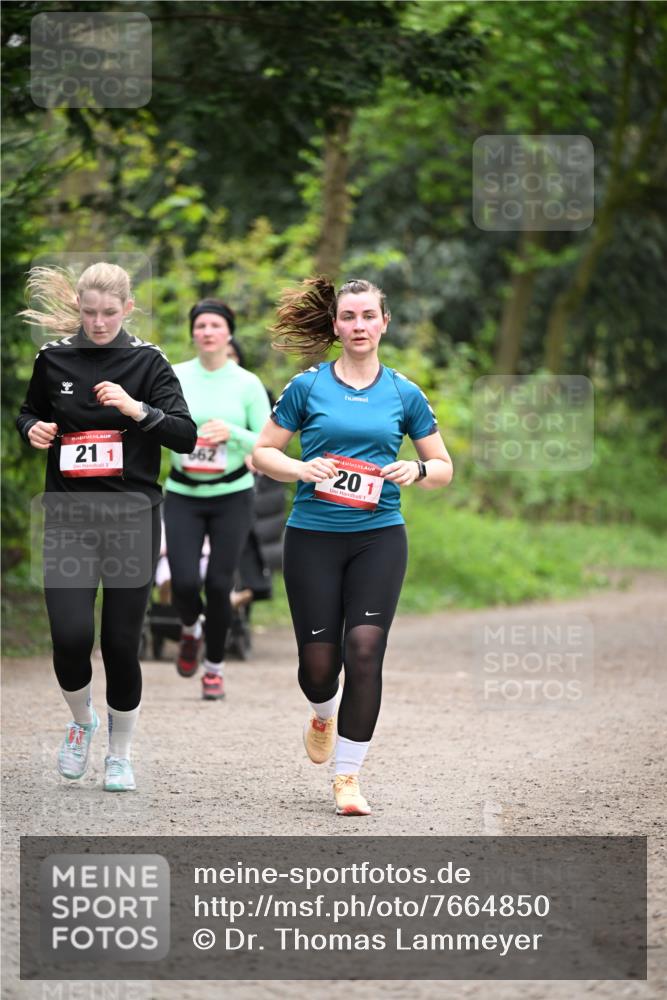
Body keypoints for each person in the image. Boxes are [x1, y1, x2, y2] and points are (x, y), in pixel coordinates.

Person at [253, 277, 453, 816]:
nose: (359, 326)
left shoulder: (403, 393)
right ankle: (323, 713)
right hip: (313, 536)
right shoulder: (308, 386)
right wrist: (299, 466)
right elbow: (261, 454)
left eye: (369, 316)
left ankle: (348, 777)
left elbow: (443, 467)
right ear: (336, 325)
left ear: (384, 323)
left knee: (365, 649)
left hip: (379, 536)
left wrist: (416, 467)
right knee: (320, 666)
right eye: (350, 317)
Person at [16, 263, 197, 792]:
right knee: (71, 637)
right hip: (69, 519)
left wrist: (137, 409)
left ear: (128, 309)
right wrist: (35, 428)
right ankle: (81, 722)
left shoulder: (148, 362)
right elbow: (28, 411)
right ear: (78, 308)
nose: (98, 323)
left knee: (120, 644)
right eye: (89, 312)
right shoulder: (53, 359)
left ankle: (119, 754)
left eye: (109, 313)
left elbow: (184, 436)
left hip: (131, 520)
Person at [164, 299, 271, 698]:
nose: (207, 331)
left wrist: (233, 433)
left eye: (215, 325)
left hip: (232, 494)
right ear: (193, 333)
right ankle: (190, 629)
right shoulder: (173, 376)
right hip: (182, 493)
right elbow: (154, 424)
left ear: (229, 334)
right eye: (201, 325)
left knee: (219, 582)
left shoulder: (247, 383)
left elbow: (266, 441)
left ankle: (214, 667)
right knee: (185, 582)